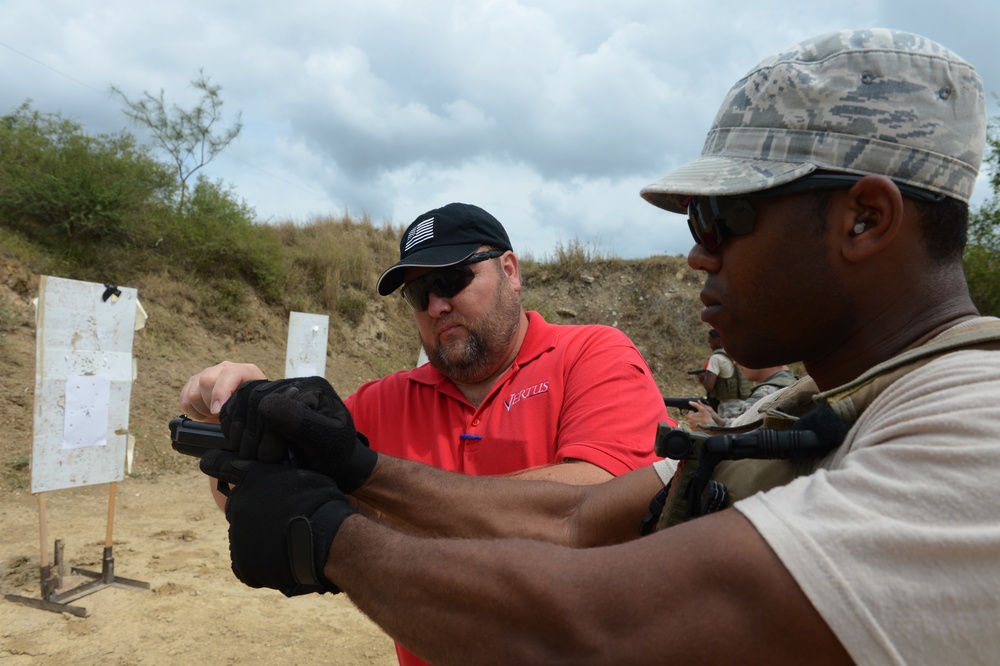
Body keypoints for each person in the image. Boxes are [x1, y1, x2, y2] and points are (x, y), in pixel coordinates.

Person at [196, 29, 1000, 664]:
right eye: (697, 224)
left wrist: (332, 537)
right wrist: (345, 466)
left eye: (725, 219)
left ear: (866, 218)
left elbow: (590, 633)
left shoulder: (974, 437)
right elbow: (578, 520)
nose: (698, 254)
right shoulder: (814, 408)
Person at [181, 203, 672, 666]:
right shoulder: (382, 400)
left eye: (452, 279)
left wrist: (362, 500)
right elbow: (265, 499)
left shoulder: (592, 354)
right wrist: (232, 424)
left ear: (510, 271)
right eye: (418, 294)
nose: (436, 305)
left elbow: (602, 506)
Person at [686, 364, 795, 429]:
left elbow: (741, 436)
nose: (736, 362)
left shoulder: (766, 393)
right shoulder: (793, 383)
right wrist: (719, 421)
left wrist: (708, 425)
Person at [696, 328, 752, 418]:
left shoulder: (716, 358)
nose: (710, 345)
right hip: (745, 403)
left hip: (728, 406)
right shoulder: (735, 354)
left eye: (710, 342)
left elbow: (709, 386)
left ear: (717, 341)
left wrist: (703, 379)